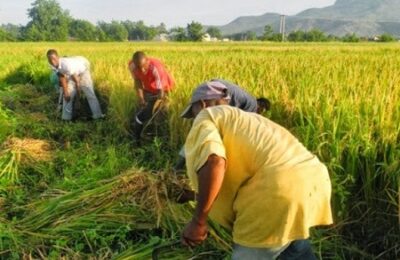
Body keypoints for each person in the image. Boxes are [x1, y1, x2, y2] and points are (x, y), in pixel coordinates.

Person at [180, 82, 333, 259]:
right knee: (292, 245)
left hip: (276, 195)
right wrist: (192, 196)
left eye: (192, 113)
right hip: (311, 182)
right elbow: (234, 177)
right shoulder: (247, 119)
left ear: (203, 104)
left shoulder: (207, 116)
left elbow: (214, 162)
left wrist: (198, 221)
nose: (193, 120)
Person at [174, 79, 271, 171]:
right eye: (261, 112)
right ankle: (183, 167)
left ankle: (178, 167)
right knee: (200, 137)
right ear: (261, 106)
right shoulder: (252, 105)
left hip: (212, 94)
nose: (259, 114)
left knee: (197, 136)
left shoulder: (242, 99)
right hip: (214, 97)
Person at [128, 51, 175, 141]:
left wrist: (150, 100)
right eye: (139, 67)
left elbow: (160, 94)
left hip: (164, 89)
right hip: (149, 88)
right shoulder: (132, 66)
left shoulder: (156, 68)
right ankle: (138, 139)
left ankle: (159, 138)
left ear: (147, 61)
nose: (141, 70)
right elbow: (137, 81)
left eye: (143, 67)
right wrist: (141, 98)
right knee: (142, 111)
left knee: (157, 112)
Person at [46, 49, 104, 121]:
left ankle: (98, 116)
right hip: (71, 73)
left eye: (54, 59)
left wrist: (78, 100)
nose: (52, 62)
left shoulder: (67, 65)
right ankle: (66, 119)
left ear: (58, 57)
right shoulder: (52, 65)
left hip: (83, 70)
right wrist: (66, 92)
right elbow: (61, 77)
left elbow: (77, 81)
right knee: (67, 96)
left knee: (89, 93)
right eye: (50, 60)